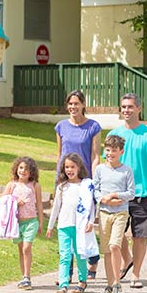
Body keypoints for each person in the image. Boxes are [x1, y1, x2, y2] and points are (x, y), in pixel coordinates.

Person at [107, 93, 147, 289]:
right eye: (123, 107)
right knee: (115, 234)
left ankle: (135, 273)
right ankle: (127, 258)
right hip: (119, 194)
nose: (126, 110)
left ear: (139, 109)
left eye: (130, 107)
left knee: (140, 236)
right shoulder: (113, 135)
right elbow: (108, 164)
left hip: (143, 193)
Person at [55, 90, 102, 278]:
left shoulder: (93, 127)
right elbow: (59, 154)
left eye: (76, 103)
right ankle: (68, 270)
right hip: (65, 181)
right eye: (70, 104)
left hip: (84, 182)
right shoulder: (61, 127)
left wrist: (93, 180)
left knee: (84, 224)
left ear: (83, 104)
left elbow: (95, 155)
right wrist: (58, 180)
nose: (73, 107)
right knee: (67, 224)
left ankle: (92, 258)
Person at [46, 153, 98, 293]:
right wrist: (50, 226)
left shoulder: (86, 185)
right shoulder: (62, 187)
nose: (69, 170)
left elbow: (92, 206)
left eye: (72, 167)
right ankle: (63, 285)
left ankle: (82, 280)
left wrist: (90, 222)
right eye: (66, 167)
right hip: (64, 225)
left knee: (80, 254)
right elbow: (56, 208)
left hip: (80, 226)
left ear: (79, 167)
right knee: (64, 256)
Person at [93, 135, 135, 293]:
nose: (110, 153)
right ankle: (109, 285)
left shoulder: (127, 171)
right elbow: (95, 189)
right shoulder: (100, 170)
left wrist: (116, 195)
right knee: (106, 251)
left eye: (114, 151)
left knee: (114, 246)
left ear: (121, 152)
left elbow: (131, 193)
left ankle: (118, 283)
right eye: (108, 150)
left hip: (120, 213)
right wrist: (102, 199)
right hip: (104, 213)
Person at [2, 156, 44, 290]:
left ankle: (27, 276)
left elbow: (39, 205)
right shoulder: (11, 185)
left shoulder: (35, 186)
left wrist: (41, 222)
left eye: (27, 168)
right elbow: (3, 201)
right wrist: (15, 201)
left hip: (31, 221)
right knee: (21, 250)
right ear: (16, 169)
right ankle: (24, 277)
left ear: (32, 171)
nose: (23, 171)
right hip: (16, 223)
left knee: (27, 248)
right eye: (21, 168)